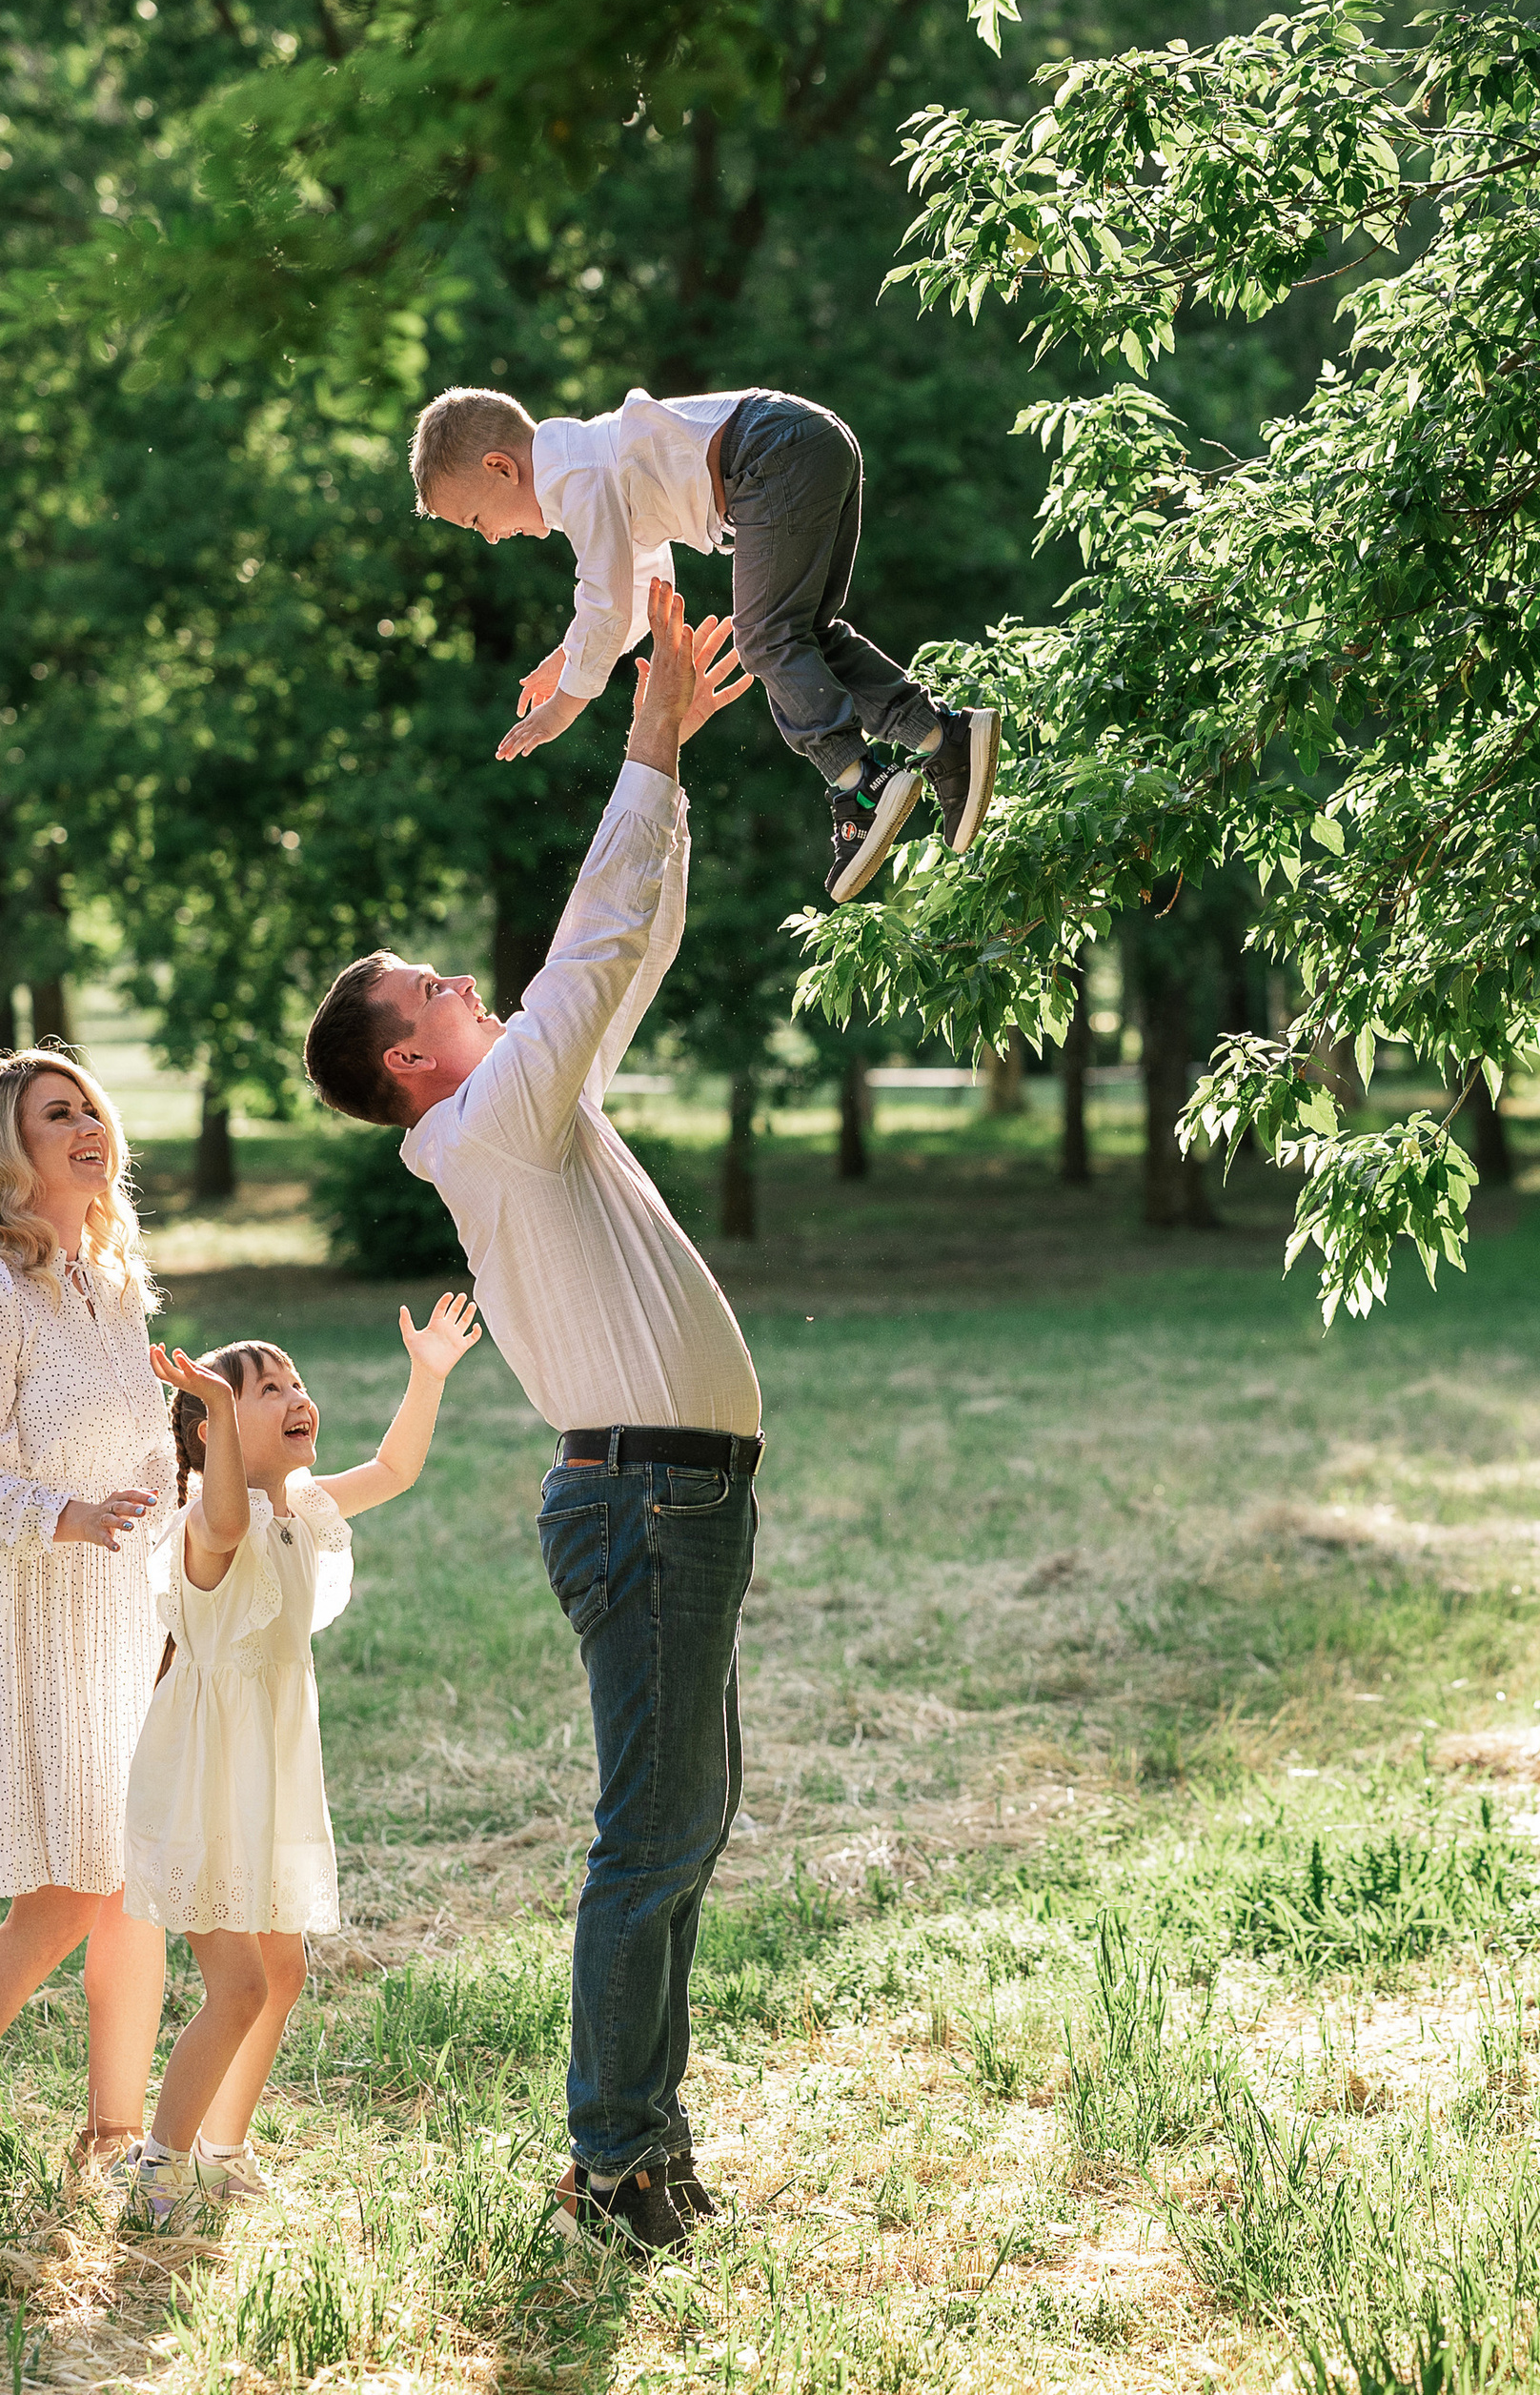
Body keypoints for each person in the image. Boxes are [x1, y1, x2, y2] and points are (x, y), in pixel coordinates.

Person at [300, 584, 760, 2255]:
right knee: (651, 1839)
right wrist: (640, 744)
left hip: (677, 1498)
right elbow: (579, 965)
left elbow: (622, 959)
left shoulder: (519, 1112)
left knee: (686, 1829)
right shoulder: (487, 1125)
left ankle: (645, 2144)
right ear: (410, 1064)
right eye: (432, 987)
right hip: (646, 1504)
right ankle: (611, 2165)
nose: (464, 979)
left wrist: (670, 774)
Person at [124, 1301, 484, 2219]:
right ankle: (159, 2170)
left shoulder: (303, 1509)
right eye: (266, 1390)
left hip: (270, 1782)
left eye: (296, 1382)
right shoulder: (211, 1525)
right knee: (239, 1986)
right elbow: (225, 1520)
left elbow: (395, 1469)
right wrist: (212, 1401)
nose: (296, 1397)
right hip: (206, 1789)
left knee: (282, 1975)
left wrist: (428, 1374)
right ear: (212, 1433)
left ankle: (222, 2151)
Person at [408, 380, 1001, 907]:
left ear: (501, 468)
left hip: (771, 454)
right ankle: (941, 736)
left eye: (476, 521)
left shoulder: (573, 474)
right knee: (802, 637)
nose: (490, 538)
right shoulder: (587, 464)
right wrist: (569, 657)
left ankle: (858, 782)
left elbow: (604, 601)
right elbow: (633, 583)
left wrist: (566, 705)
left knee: (764, 639)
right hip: (808, 441)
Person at [0, 1048, 176, 2172]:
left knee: (131, 1884)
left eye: (92, 1109)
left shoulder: (115, 1286)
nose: (86, 1128)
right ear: (11, 1152)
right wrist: (59, 1514)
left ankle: (114, 2135)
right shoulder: (2, 1292)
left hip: (126, 1616)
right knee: (69, 1887)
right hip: (33, 1615)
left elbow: (155, 1460)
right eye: (56, 1114)